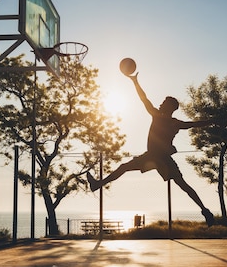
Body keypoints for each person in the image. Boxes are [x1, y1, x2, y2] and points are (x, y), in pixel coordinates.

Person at [87, 73, 217, 227]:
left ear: (169, 107)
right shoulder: (167, 120)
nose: (161, 104)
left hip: (158, 158)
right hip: (154, 157)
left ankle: (205, 211)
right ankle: (205, 211)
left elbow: (193, 124)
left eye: (163, 103)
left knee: (183, 185)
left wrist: (135, 82)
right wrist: (135, 82)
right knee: (181, 184)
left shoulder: (163, 118)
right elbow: (193, 123)